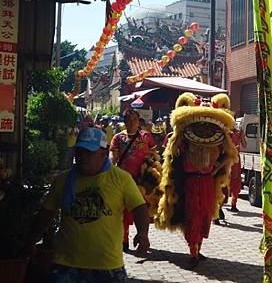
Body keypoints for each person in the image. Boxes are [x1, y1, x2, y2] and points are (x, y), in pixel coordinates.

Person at [24, 127, 150, 283]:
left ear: (104, 154)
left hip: (107, 265)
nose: (82, 157)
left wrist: (142, 233)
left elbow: (139, 208)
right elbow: (46, 213)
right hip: (65, 264)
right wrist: (31, 240)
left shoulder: (121, 179)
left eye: (89, 152)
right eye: (80, 151)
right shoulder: (63, 180)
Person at [156, 93, 238, 266]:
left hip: (208, 182)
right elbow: (172, 153)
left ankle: (198, 248)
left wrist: (217, 167)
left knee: (205, 216)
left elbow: (231, 155)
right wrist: (177, 136)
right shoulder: (184, 137)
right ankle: (193, 251)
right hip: (190, 182)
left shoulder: (219, 138)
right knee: (193, 215)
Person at [110, 108, 156, 251]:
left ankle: (142, 236)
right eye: (128, 120)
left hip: (141, 180)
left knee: (142, 210)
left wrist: (151, 171)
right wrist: (112, 167)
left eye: (134, 120)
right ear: (124, 121)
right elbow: (113, 155)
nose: (131, 123)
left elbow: (154, 154)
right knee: (123, 211)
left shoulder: (146, 136)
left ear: (138, 120)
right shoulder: (118, 137)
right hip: (122, 180)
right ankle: (124, 240)